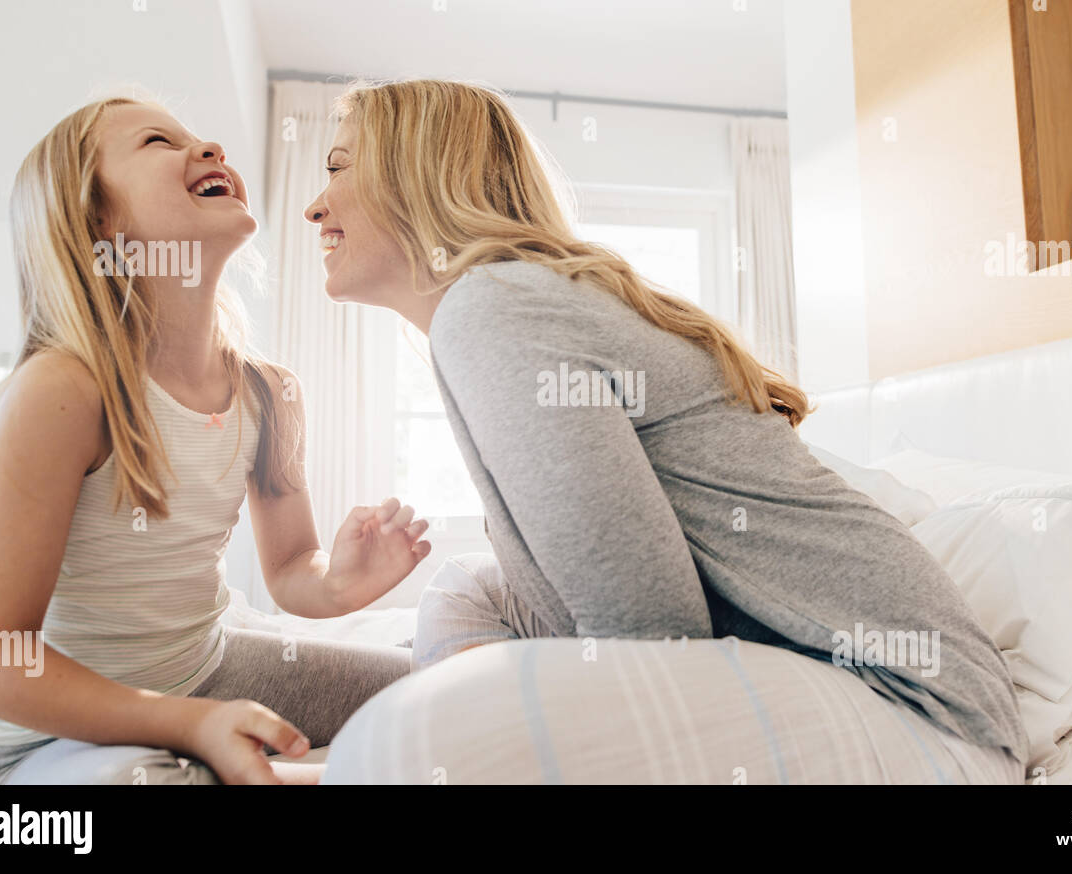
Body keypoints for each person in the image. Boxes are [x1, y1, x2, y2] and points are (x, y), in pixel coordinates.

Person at [304, 79, 1028, 784]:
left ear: (417, 174)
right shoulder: (506, 303)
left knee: (400, 739)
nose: (314, 206)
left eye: (338, 168)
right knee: (467, 589)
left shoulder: (494, 308)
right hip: (891, 694)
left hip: (921, 714)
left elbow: (649, 638)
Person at [0, 97, 430, 785]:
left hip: (204, 668)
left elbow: (291, 565)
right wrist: (189, 725)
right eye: (157, 142)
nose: (208, 148)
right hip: (47, 735)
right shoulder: (64, 389)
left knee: (439, 694)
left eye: (198, 137)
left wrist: (339, 584)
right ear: (99, 220)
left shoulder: (270, 393)